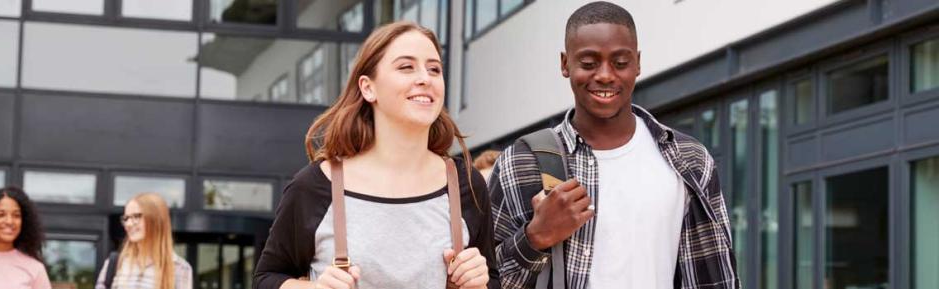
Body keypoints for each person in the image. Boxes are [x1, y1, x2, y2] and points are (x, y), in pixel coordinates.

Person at [489, 2, 739, 289]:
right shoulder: (520, 162)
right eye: (589, 63)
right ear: (564, 64)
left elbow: (717, 275)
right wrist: (535, 237)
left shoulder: (690, 161)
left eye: (620, 63)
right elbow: (485, 280)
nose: (606, 75)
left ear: (638, 64)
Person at [253, 21, 498, 289]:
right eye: (406, 67)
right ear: (368, 88)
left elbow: (492, 281)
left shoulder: (465, 184)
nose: (425, 78)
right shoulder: (314, 186)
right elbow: (266, 279)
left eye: (434, 69)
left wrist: (479, 283)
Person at [96, 193, 192, 289]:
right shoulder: (115, 263)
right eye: (126, 218)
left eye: (137, 216)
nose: (128, 224)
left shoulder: (179, 268)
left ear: (156, 220)